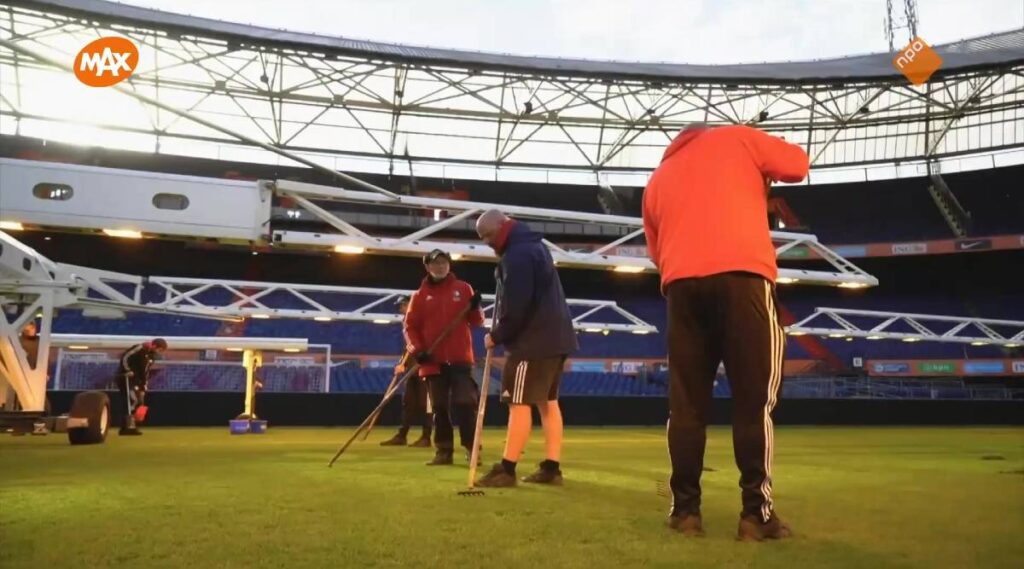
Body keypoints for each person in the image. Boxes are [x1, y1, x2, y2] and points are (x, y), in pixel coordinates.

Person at [642, 124, 809, 540]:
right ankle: (756, 515)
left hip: (681, 288)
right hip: (742, 277)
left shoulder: (657, 180)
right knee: (754, 403)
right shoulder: (737, 137)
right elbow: (798, 165)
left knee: (686, 407)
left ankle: (685, 512)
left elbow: (656, 252)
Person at [472, 210, 578, 487]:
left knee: (518, 403)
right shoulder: (536, 247)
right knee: (548, 403)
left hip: (532, 343)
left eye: (488, 236)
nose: (487, 242)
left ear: (503, 226)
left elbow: (517, 307)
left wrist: (497, 335)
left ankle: (507, 469)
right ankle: (551, 468)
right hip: (556, 339)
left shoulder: (517, 256)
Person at [403, 249, 484, 466]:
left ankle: (472, 448)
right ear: (427, 267)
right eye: (435, 263)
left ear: (449, 265)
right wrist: (417, 350)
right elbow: (409, 327)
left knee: (465, 403)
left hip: (461, 359)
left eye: (444, 263)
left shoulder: (463, 288)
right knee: (439, 407)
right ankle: (444, 451)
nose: (440, 266)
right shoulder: (419, 296)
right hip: (432, 362)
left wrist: (476, 307)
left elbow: (477, 321)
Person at [379, 296, 433, 448]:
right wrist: (401, 363)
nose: (401, 308)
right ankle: (402, 435)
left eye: (403, 305)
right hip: (411, 370)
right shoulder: (406, 323)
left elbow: (424, 344)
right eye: (400, 306)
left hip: (425, 369)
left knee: (425, 405)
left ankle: (426, 437)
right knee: (408, 403)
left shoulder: (422, 320)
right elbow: (408, 348)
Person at [115, 338, 167, 435]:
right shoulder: (139, 348)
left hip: (137, 381)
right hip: (127, 378)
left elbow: (145, 371)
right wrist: (127, 370)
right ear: (155, 346)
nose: (159, 352)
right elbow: (125, 357)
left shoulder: (151, 356)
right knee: (132, 400)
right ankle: (128, 426)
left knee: (138, 402)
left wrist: (144, 385)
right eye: (159, 350)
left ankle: (131, 425)